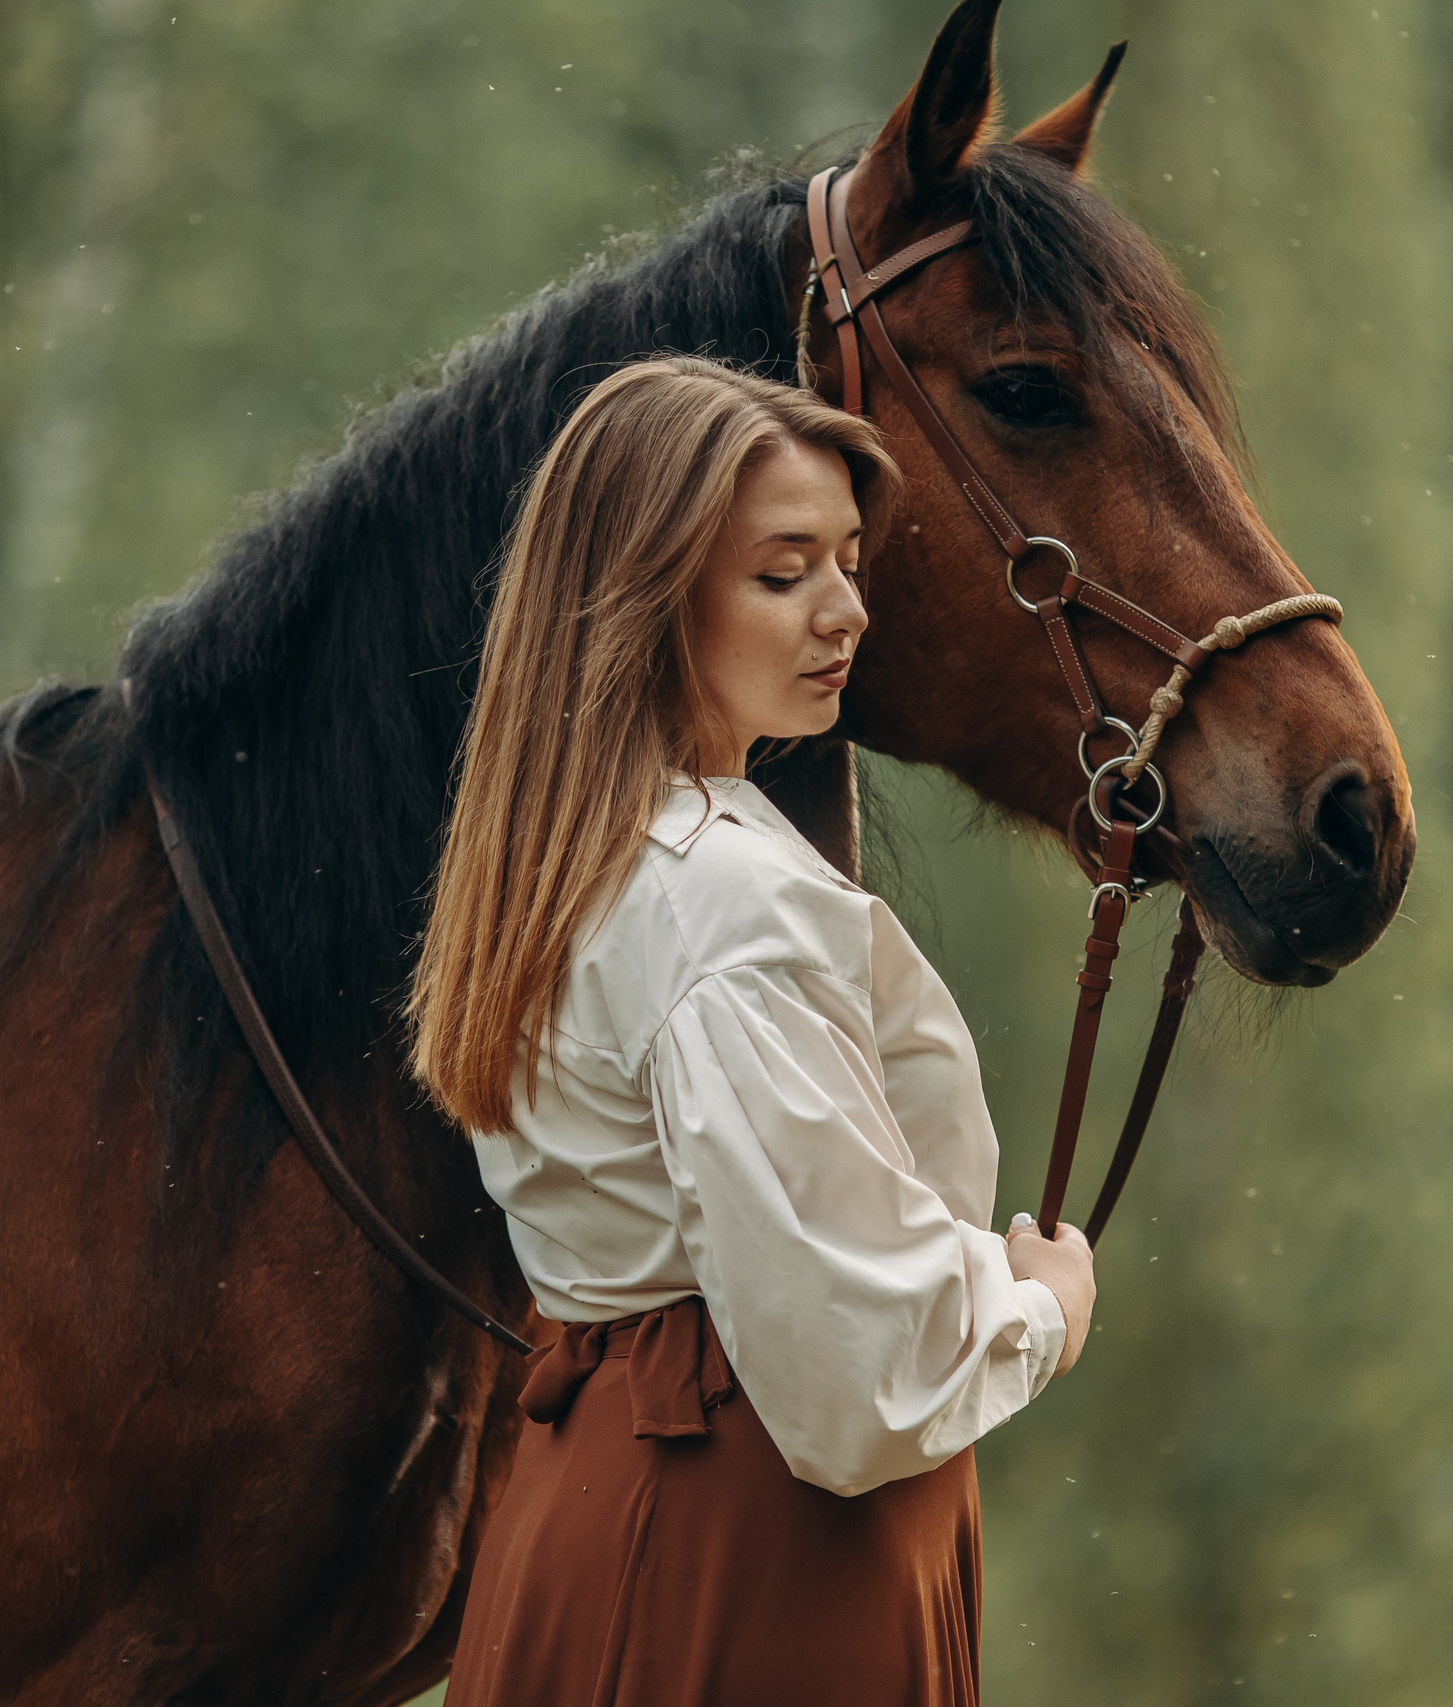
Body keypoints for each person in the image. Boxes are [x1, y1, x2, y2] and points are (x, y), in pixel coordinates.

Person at [409, 355, 1096, 1704]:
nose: (844, 609)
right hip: (746, 1536)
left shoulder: (577, 857)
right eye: (783, 573)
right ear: (647, 598)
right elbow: (854, 1360)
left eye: (847, 560)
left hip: (603, 1502)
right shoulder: (716, 897)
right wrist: (1039, 1310)